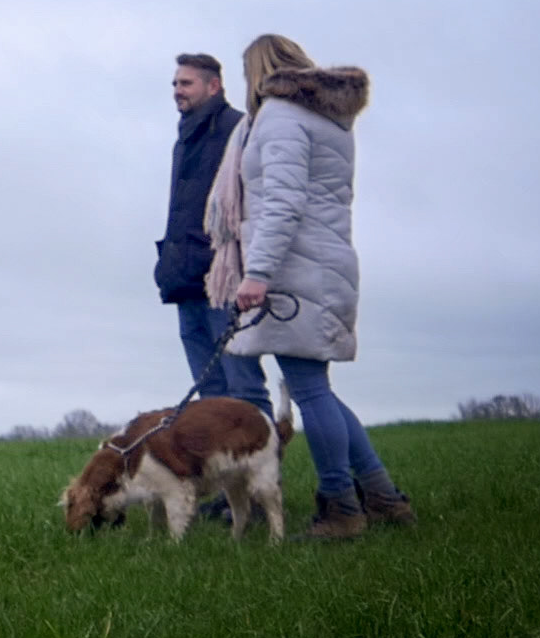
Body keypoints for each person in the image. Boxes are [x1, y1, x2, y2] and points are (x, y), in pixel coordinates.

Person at [211, 33, 415, 539]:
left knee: (309, 390)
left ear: (259, 71)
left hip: (296, 271)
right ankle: (384, 497)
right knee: (315, 387)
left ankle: (341, 508)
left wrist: (256, 274)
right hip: (321, 265)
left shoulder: (279, 117)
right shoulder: (325, 120)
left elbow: (282, 203)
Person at [156, 54, 271, 419]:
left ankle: (266, 472)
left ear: (214, 86)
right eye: (175, 84)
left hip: (224, 278)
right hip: (185, 279)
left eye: (185, 83)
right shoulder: (184, 138)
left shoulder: (238, 129)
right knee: (211, 396)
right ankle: (227, 475)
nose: (177, 91)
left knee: (245, 388)